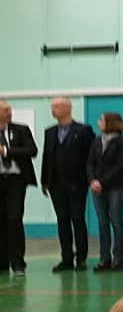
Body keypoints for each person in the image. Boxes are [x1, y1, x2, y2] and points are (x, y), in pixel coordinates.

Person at [41, 97, 95, 272]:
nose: (53, 110)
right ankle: (66, 258)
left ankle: (81, 257)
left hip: (77, 183)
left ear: (67, 108)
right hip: (56, 184)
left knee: (77, 219)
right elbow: (46, 156)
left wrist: (90, 179)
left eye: (56, 106)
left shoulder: (84, 130)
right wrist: (44, 181)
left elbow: (91, 157)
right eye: (52, 107)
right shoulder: (50, 132)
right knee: (62, 220)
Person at [87, 112, 123, 272]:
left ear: (110, 123)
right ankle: (104, 258)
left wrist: (102, 182)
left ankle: (117, 258)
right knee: (102, 222)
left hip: (116, 187)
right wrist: (92, 180)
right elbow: (90, 163)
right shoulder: (96, 141)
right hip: (96, 188)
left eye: (101, 120)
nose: (98, 122)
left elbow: (119, 166)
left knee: (116, 221)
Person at [0, 100, 38, 277]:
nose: (9, 113)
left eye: (9, 109)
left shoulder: (21, 130)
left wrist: (6, 151)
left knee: (14, 218)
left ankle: (17, 262)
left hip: (16, 180)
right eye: (5, 110)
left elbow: (31, 150)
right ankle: (2, 261)